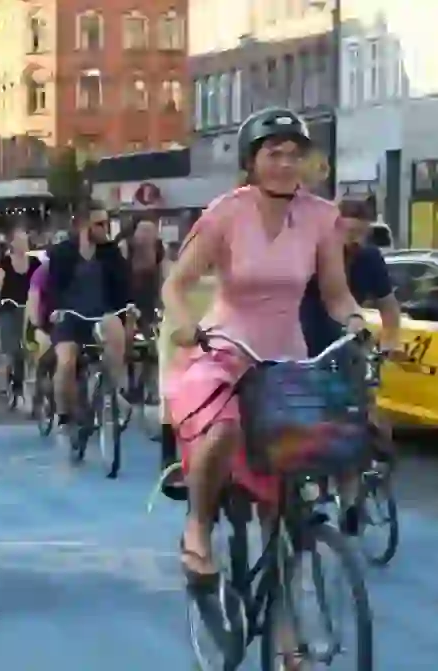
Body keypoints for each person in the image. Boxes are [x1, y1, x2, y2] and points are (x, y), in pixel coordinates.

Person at [161, 108, 364, 604]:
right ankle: (198, 528)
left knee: (289, 500)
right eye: (275, 153)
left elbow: (336, 294)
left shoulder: (321, 218)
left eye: (296, 154)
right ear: (252, 161)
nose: (286, 163)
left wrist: (357, 323)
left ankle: (286, 633)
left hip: (285, 359)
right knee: (223, 428)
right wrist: (184, 323)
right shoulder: (227, 213)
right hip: (224, 349)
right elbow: (176, 284)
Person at [298, 195, 402, 535]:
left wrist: (389, 342)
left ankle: (350, 502)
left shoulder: (370, 258)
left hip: (347, 343)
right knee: (310, 422)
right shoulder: (312, 251)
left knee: (354, 420)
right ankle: (312, 488)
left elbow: (389, 307)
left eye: (360, 235)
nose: (353, 242)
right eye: (348, 233)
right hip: (304, 343)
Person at [43, 204, 132, 449]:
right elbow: (52, 288)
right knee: (67, 361)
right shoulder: (63, 253)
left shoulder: (110, 252)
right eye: (99, 224)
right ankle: (64, 416)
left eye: (107, 223)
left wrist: (130, 306)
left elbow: (124, 284)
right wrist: (54, 311)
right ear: (84, 226)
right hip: (69, 316)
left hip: (100, 314)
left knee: (115, 328)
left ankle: (114, 391)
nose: (105, 229)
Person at [0, 225, 41, 402]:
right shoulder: (5, 262)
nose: (22, 245)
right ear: (12, 244)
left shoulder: (34, 264)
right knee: (13, 350)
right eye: (19, 241)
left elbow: (41, 285)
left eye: (25, 241)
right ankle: (13, 384)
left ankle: (24, 384)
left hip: (28, 309)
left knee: (29, 349)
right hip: (8, 308)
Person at [127, 218, 167, 337]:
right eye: (143, 231)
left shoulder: (158, 248)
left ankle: (148, 336)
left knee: (147, 319)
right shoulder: (128, 246)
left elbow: (160, 270)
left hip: (149, 287)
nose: (145, 235)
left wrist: (161, 296)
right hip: (132, 287)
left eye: (149, 231)